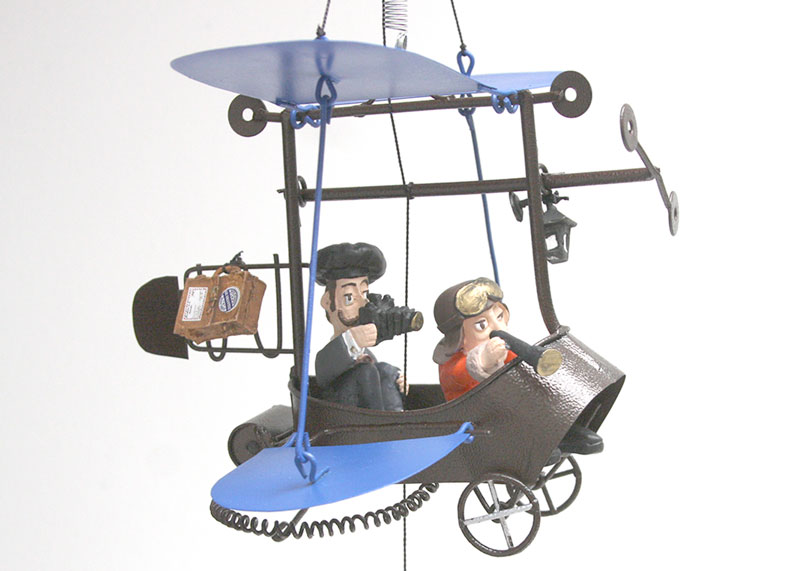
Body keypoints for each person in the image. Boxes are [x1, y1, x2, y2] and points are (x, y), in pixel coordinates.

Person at [433, 277, 603, 455]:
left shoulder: (503, 349)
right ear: (459, 337)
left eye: (499, 316)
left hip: (506, 411)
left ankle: (558, 432)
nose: (497, 328)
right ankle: (530, 445)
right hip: (476, 422)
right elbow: (459, 374)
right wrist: (483, 359)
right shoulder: (451, 364)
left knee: (535, 394)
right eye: (481, 325)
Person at [314, 242, 417, 411]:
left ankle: (397, 419)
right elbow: (324, 373)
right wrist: (352, 339)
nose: (363, 304)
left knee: (386, 370)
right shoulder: (329, 355)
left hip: (369, 411)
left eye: (364, 294)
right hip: (342, 412)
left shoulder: (364, 352)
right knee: (367, 372)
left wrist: (396, 378)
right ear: (327, 302)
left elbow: (378, 375)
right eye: (349, 298)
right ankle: (378, 423)